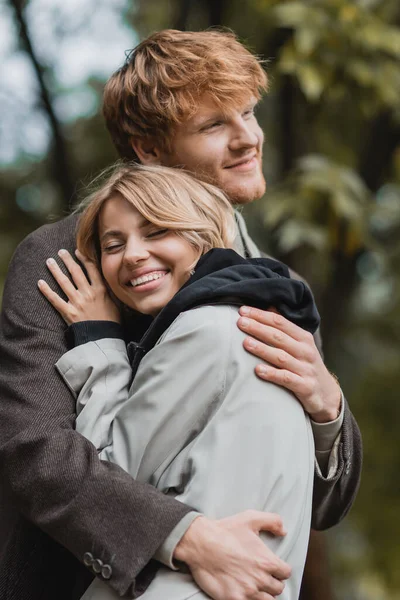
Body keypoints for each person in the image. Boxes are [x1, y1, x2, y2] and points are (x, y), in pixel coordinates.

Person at [0, 28, 361, 600]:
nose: (248, 139)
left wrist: (327, 409)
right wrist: (181, 535)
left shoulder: (279, 285)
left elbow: (325, 505)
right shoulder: (61, 258)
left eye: (248, 112)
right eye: (215, 125)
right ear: (149, 149)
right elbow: (34, 451)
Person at [39, 163, 319, 600]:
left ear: (202, 236)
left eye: (155, 232)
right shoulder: (251, 318)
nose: (132, 254)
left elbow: (113, 479)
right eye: (114, 244)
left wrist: (100, 341)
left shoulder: (204, 331)